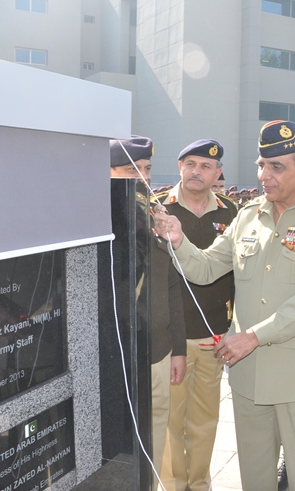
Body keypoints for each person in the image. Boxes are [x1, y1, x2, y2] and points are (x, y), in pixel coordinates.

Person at [153, 120, 295, 491]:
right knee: (256, 480)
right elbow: (208, 267)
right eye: (262, 165)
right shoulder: (248, 215)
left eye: (277, 166)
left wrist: (253, 337)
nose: (264, 175)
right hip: (249, 377)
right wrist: (179, 240)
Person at [156, 139, 238, 491]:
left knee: (206, 420)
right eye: (190, 164)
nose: (197, 171)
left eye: (206, 166)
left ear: (218, 173)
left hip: (213, 333)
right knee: (171, 423)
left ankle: (200, 484)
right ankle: (173, 486)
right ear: (179, 168)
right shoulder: (159, 210)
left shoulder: (231, 213)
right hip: (170, 336)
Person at [109, 136, 187, 487]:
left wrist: (178, 348)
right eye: (131, 170)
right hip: (119, 357)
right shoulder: (97, 219)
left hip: (157, 351)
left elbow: (173, 286)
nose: (142, 178)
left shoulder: (156, 217)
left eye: (147, 169)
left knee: (153, 442)